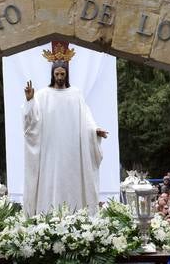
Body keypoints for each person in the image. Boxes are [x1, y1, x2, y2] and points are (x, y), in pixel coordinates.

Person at [23, 41, 107, 216]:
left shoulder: (75, 94)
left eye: (62, 74)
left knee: (72, 183)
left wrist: (94, 131)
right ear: (52, 75)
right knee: (50, 183)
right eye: (57, 74)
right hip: (49, 153)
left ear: (66, 74)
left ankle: (76, 217)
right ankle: (47, 217)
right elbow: (31, 124)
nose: (60, 77)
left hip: (72, 154)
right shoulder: (42, 95)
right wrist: (30, 101)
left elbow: (86, 119)